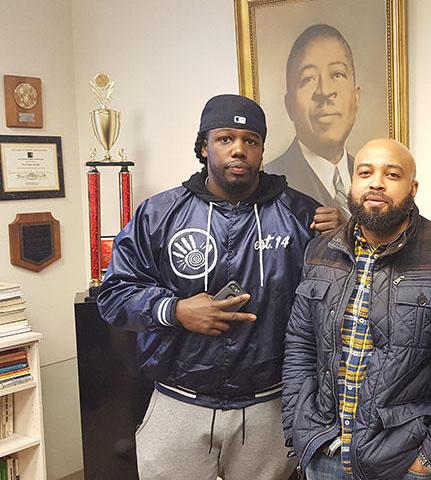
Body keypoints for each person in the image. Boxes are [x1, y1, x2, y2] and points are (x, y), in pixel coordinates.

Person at [97, 94, 341, 480]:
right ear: (203, 146)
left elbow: (334, 301)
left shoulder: (303, 216)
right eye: (226, 139)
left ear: (262, 151)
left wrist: (344, 236)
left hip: (268, 408)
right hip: (179, 403)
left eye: (251, 141)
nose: (238, 150)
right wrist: (175, 310)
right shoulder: (158, 214)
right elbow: (113, 295)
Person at [282, 138, 431, 479]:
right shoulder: (321, 250)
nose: (376, 182)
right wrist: (299, 427)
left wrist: (429, 457)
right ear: (353, 183)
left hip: (404, 460)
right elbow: (300, 346)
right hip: (324, 453)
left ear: (413, 188)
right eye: (365, 172)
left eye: (392, 174)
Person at [264, 24, 360, 216]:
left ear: (356, 97)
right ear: (289, 105)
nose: (325, 91)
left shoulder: (371, 180)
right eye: (308, 79)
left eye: (337, 74)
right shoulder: (268, 183)